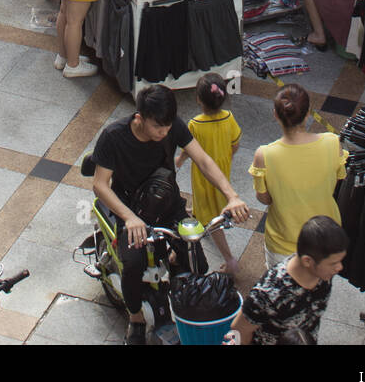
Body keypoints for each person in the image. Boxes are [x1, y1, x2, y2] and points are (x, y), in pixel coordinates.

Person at [91, 83, 250, 345]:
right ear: (140, 118)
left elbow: (204, 161)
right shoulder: (113, 136)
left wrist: (231, 195)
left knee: (196, 261)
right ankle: (136, 319)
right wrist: (130, 217)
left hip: (167, 204)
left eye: (167, 128)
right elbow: (99, 184)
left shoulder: (172, 125)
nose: (164, 133)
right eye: (157, 128)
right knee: (133, 264)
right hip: (131, 209)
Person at [249, 85, 348, 270]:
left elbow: (264, 198)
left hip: (283, 241)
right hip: (325, 239)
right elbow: (337, 180)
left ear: (276, 115)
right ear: (308, 112)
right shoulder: (333, 142)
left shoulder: (264, 154)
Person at [228, 216, 348, 346]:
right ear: (307, 261)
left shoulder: (323, 274)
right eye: (333, 263)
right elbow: (239, 329)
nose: (339, 268)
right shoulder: (269, 293)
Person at [179, 73, 242, 274]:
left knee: (212, 216)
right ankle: (199, 213)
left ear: (198, 99)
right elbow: (235, 144)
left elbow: (189, 149)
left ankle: (230, 260)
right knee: (215, 201)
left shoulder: (195, 124)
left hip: (203, 175)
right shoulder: (229, 117)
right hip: (222, 169)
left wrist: (179, 161)